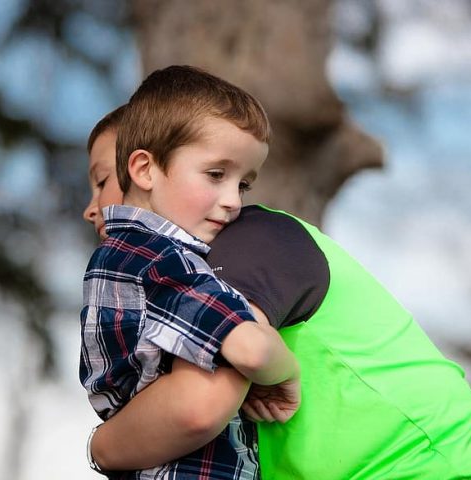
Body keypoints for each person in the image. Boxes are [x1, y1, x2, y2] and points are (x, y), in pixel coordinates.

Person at [82, 114, 471, 479]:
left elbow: (197, 406)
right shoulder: (175, 272)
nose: (92, 206)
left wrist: (99, 446)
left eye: (103, 180)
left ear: (148, 168)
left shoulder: (244, 242)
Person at [80, 65, 300, 479]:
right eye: (216, 175)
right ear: (144, 170)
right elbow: (250, 349)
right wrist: (288, 370)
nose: (233, 201)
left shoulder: (127, 256)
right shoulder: (155, 258)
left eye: (244, 185)